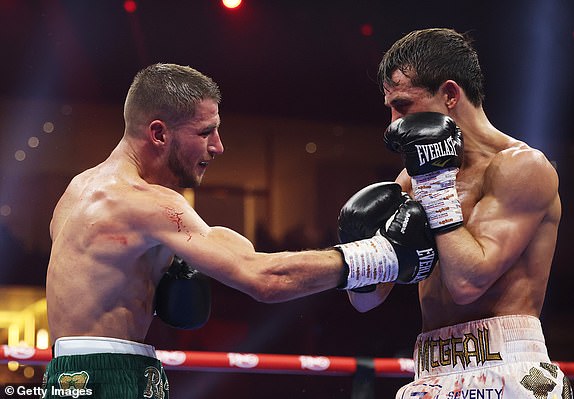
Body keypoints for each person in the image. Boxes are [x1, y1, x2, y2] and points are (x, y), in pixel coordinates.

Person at [44, 63, 438, 398]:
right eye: (204, 132)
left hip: (75, 373)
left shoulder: (78, 191)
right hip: (109, 376)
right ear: (159, 133)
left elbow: (238, 251)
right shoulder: (144, 203)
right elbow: (262, 278)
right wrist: (379, 256)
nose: (218, 146)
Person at [346, 28, 572, 398]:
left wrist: (434, 189)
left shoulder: (523, 168)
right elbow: (366, 300)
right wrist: (357, 241)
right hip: (431, 369)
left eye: (403, 105)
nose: (393, 124)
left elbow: (468, 282)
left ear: (450, 94)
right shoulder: (410, 177)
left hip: (508, 365)